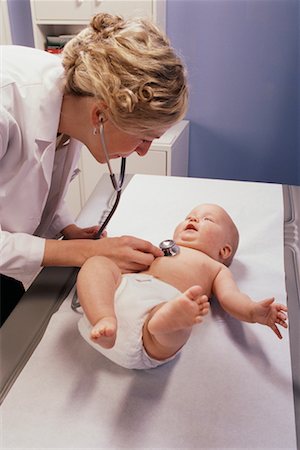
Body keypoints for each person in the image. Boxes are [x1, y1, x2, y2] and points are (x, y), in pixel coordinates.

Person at [0, 13, 188, 325]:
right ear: (100, 115)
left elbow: (37, 180)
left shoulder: (74, 99)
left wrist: (66, 228)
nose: (143, 152)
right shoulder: (6, 106)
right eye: (144, 137)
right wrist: (85, 252)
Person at [77, 203, 288, 369]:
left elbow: (231, 298)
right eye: (189, 216)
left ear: (224, 251)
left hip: (153, 322)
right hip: (118, 301)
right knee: (97, 264)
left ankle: (168, 321)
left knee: (178, 322)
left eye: (208, 220)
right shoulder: (161, 251)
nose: (194, 219)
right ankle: (103, 317)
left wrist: (252, 311)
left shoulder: (216, 268)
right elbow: (127, 263)